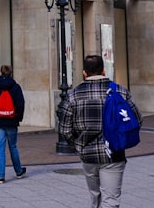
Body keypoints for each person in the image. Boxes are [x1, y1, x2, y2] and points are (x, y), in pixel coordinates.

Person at [60, 55, 143, 207]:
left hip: (88, 154)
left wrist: (79, 145)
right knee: (110, 200)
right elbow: (137, 120)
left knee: (95, 196)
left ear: (84, 73)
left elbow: (65, 130)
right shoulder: (120, 91)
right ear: (104, 70)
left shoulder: (73, 96)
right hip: (114, 153)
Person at [0, 64, 26, 184]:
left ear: (1, 73)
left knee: (0, 148)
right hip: (12, 121)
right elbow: (21, 104)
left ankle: (0, 176)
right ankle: (18, 171)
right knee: (13, 146)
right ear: (11, 73)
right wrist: (19, 118)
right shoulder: (16, 87)